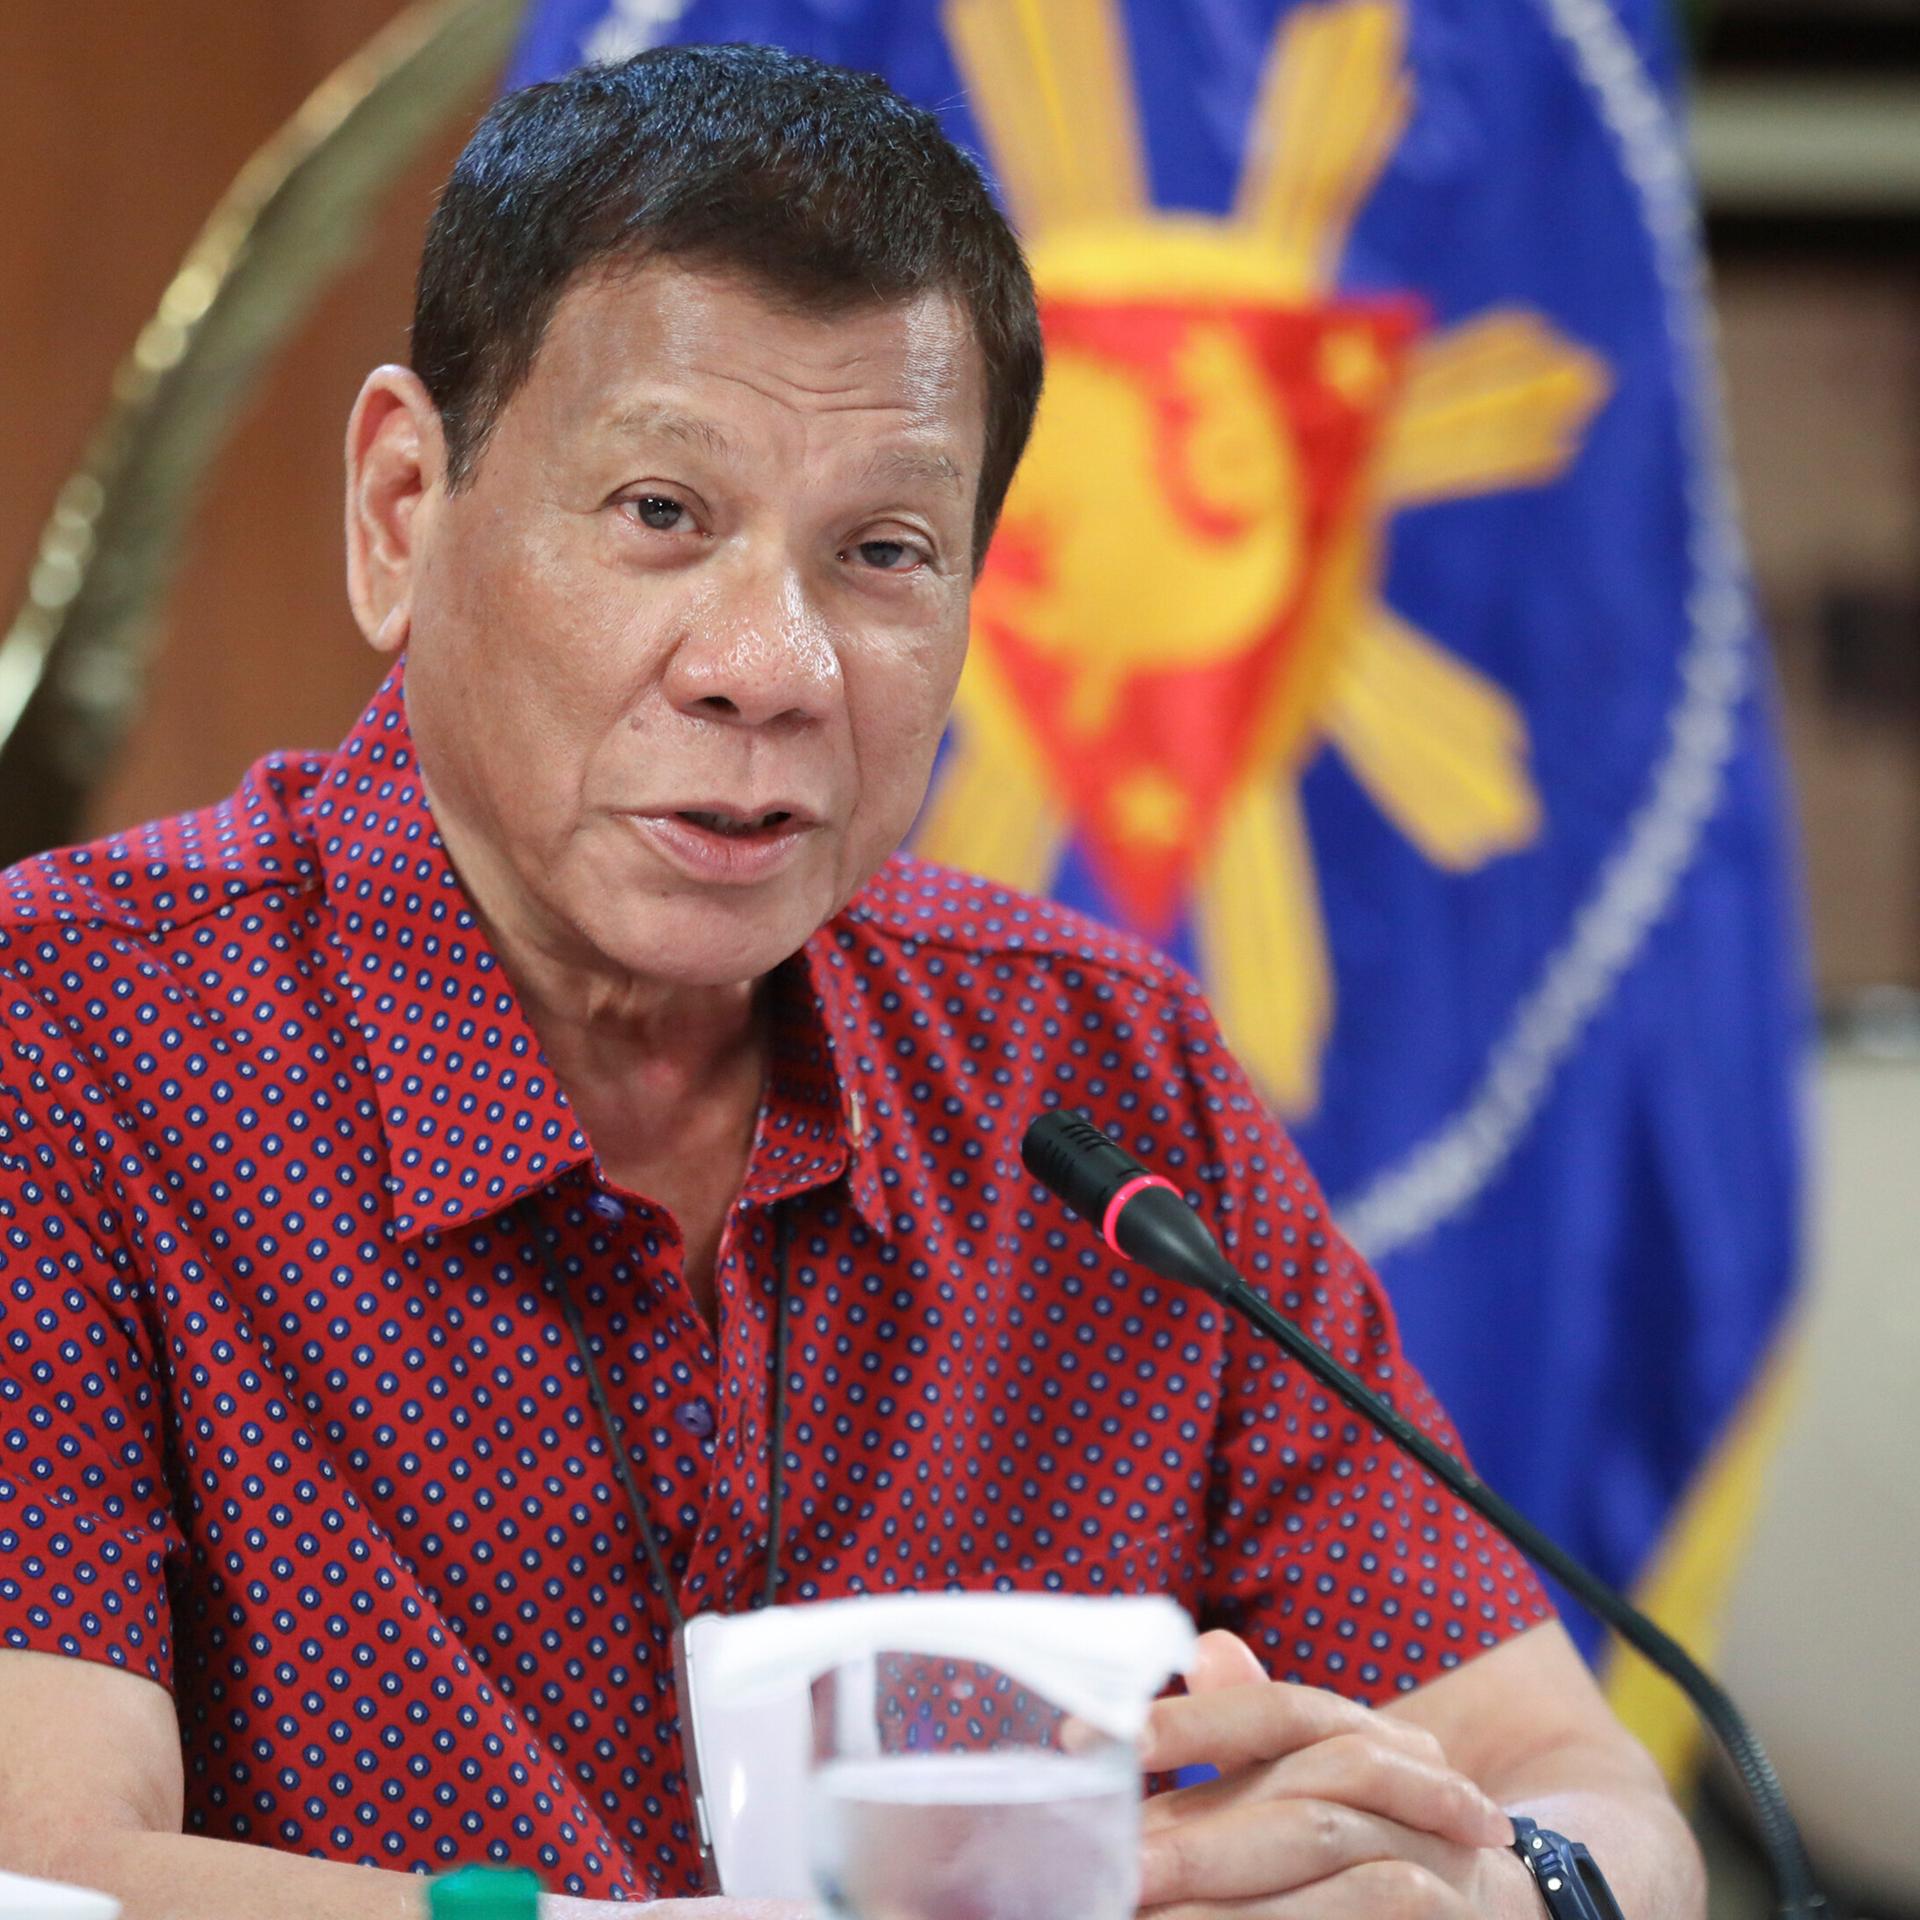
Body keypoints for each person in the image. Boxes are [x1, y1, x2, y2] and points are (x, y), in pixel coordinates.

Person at [0, 44, 1701, 1920]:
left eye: (880, 551)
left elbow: (1587, 1786)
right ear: (407, 506)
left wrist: (1491, 1888)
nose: (771, 662)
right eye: (660, 512)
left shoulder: (1102, 1078)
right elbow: (46, 1873)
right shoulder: (69, 1036)